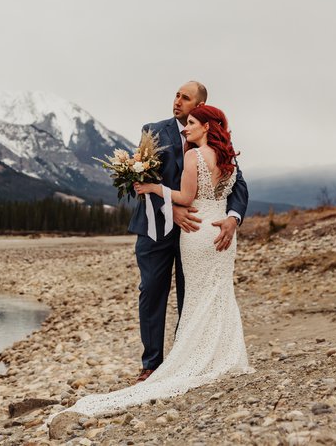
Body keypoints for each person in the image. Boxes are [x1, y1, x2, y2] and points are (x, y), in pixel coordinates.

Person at [55, 104, 253, 418]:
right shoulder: (227, 156)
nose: (185, 128)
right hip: (220, 236)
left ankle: (192, 359)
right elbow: (227, 189)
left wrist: (152, 188)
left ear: (205, 125)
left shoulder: (193, 155)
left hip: (198, 231)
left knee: (200, 295)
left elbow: (187, 198)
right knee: (217, 293)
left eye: (191, 123)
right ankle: (224, 356)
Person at [128, 81, 249, 382]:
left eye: (186, 98)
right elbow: (139, 181)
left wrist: (233, 218)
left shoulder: (216, 145)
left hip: (198, 233)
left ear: (199, 107)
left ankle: (190, 356)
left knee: (192, 293)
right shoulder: (153, 131)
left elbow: (239, 186)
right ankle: (151, 364)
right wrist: (172, 208)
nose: (177, 101)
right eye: (176, 95)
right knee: (151, 292)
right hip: (156, 229)